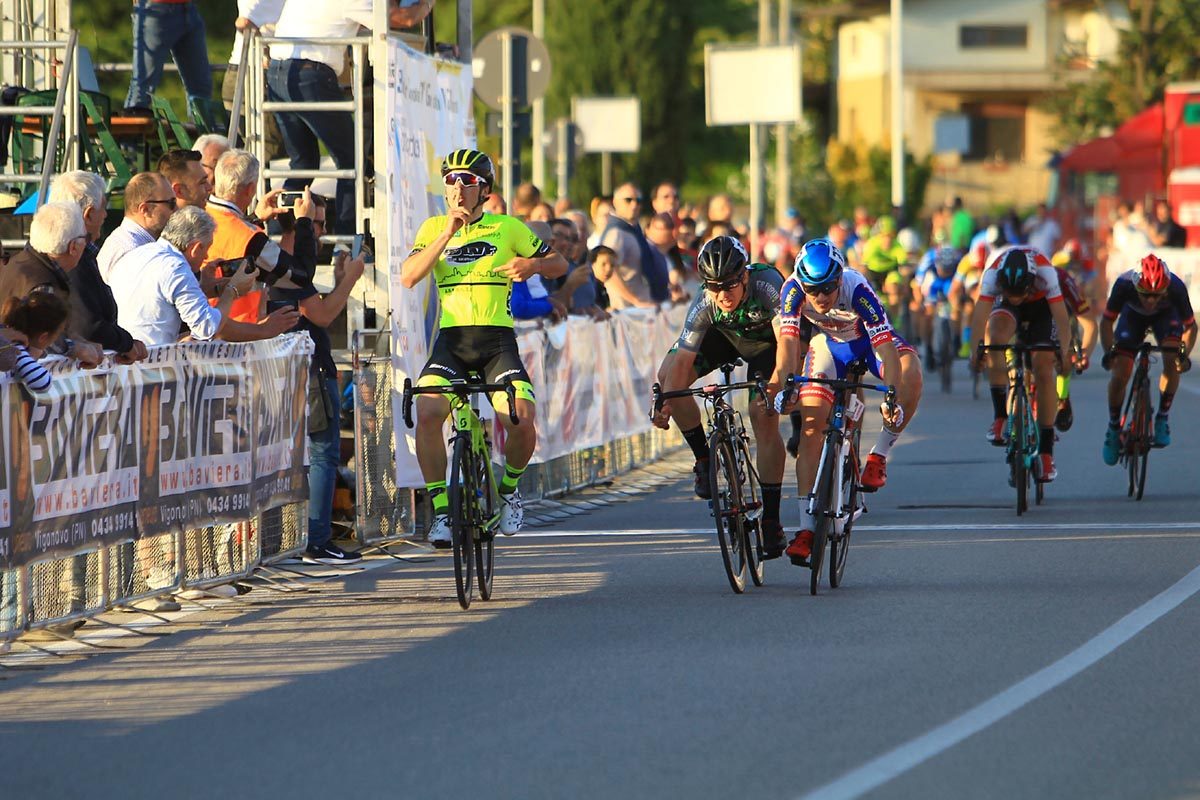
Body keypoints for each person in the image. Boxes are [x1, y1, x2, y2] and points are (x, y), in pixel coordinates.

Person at [399, 149, 567, 546]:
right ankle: (441, 511)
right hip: (452, 342)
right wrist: (447, 234)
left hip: (496, 343)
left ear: (484, 189)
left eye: (467, 181)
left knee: (521, 419)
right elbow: (408, 277)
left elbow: (560, 262)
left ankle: (508, 491)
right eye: (451, 181)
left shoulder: (507, 227)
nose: (458, 188)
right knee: (427, 412)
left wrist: (535, 266)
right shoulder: (433, 227)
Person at [777, 239, 923, 563]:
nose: (820, 296)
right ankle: (805, 528)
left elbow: (885, 347)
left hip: (868, 344)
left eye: (828, 287)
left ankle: (879, 454)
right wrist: (784, 385)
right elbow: (787, 345)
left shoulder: (857, 289)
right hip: (830, 347)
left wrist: (890, 394)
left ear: (840, 277)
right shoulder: (792, 290)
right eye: (813, 289)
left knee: (910, 372)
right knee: (811, 429)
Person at [651, 236, 789, 558]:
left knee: (763, 413)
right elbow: (683, 361)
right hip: (723, 340)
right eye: (713, 287)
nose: (722, 295)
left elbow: (787, 344)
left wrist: (779, 383)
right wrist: (667, 402)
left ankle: (771, 520)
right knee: (668, 377)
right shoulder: (705, 301)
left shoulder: (767, 284)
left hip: (767, 347)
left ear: (744, 277)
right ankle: (703, 459)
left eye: (729, 285)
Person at [268, 0, 434, 236]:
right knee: (352, 162)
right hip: (310, 75)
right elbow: (400, 19)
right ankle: (346, 244)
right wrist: (427, 5)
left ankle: (277, 233)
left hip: (277, 72)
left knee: (303, 163)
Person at [267, 204, 367, 566]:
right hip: (304, 372)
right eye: (316, 225)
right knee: (322, 453)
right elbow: (322, 315)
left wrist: (341, 279)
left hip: (295, 369)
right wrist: (351, 280)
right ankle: (316, 541)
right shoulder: (284, 266)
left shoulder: (276, 263)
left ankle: (299, 540)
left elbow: (314, 310)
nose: (321, 233)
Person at [109, 206, 300, 346]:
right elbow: (207, 328)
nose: (207, 257)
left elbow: (157, 302)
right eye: (206, 249)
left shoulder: (135, 255)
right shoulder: (175, 266)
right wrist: (231, 291)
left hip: (128, 361)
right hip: (153, 368)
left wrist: (208, 289)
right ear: (195, 248)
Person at [968, 245, 1074, 482]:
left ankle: (1046, 453)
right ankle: (1000, 417)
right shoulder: (993, 274)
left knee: (1044, 366)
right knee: (994, 338)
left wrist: (1064, 352)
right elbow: (979, 317)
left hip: (1041, 309)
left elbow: (1062, 320)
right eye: (1010, 292)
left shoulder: (1046, 273)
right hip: (1005, 310)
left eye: (1020, 293)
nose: (1016, 298)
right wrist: (976, 351)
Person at [1099, 254, 1197, 464]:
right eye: (1145, 294)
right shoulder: (1124, 284)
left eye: (1157, 295)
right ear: (1136, 287)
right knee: (1122, 370)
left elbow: (1191, 327)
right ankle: (1114, 427)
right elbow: (1107, 322)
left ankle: (1162, 416)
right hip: (1132, 318)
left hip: (1166, 317)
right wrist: (1110, 352)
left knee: (1172, 358)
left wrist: (1183, 356)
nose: (1151, 300)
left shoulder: (1176, 287)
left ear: (1166, 288)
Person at [202, 149, 318, 320]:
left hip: (200, 326)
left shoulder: (197, 215)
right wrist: (305, 222)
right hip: (237, 332)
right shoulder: (250, 238)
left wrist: (254, 219)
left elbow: (231, 236)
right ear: (250, 189)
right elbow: (300, 276)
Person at [47, 171, 148, 364]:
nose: (106, 214)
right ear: (90, 214)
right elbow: (88, 325)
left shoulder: (77, 255)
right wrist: (127, 344)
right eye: (104, 207)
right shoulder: (72, 260)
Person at [0, 202, 103, 367]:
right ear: (74, 247)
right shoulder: (44, 286)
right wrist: (75, 348)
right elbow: (40, 341)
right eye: (85, 238)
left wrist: (77, 340)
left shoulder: (18, 263)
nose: (87, 244)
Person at [124, 0, 212, 117]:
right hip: (155, 9)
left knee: (201, 89)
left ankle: (200, 130)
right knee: (141, 91)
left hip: (189, 10)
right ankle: (133, 132)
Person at [96, 172, 178, 282]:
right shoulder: (129, 252)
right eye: (171, 203)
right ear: (145, 209)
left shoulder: (135, 245)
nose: (177, 209)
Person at [1, 292, 71, 393]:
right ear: (43, 337)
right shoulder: (16, 350)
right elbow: (42, 382)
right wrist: (31, 358)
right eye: (58, 334)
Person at [861, 215, 908, 294]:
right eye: (884, 235)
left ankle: (896, 303)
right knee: (874, 294)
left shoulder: (897, 246)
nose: (887, 239)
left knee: (893, 288)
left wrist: (904, 285)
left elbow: (903, 267)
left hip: (890, 271)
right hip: (874, 273)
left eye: (890, 236)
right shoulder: (871, 245)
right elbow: (863, 267)